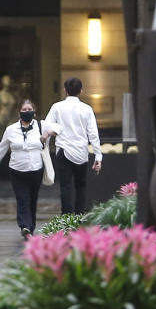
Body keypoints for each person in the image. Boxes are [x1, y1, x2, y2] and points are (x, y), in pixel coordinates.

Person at [0, 100, 62, 239]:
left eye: (30, 109)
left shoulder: (41, 125)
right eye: (24, 109)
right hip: (17, 170)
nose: (27, 111)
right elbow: (2, 147)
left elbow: (59, 127)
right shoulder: (11, 129)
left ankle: (30, 227)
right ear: (19, 112)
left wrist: (47, 133)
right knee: (22, 199)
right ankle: (25, 227)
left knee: (32, 199)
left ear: (34, 111)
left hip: (36, 169)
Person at [40, 77, 102, 214]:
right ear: (81, 91)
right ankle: (79, 216)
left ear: (64, 90)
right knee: (81, 186)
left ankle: (66, 218)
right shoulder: (87, 109)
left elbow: (46, 126)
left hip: (63, 151)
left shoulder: (57, 107)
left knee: (65, 186)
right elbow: (93, 133)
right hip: (81, 152)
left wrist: (46, 142)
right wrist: (98, 156)